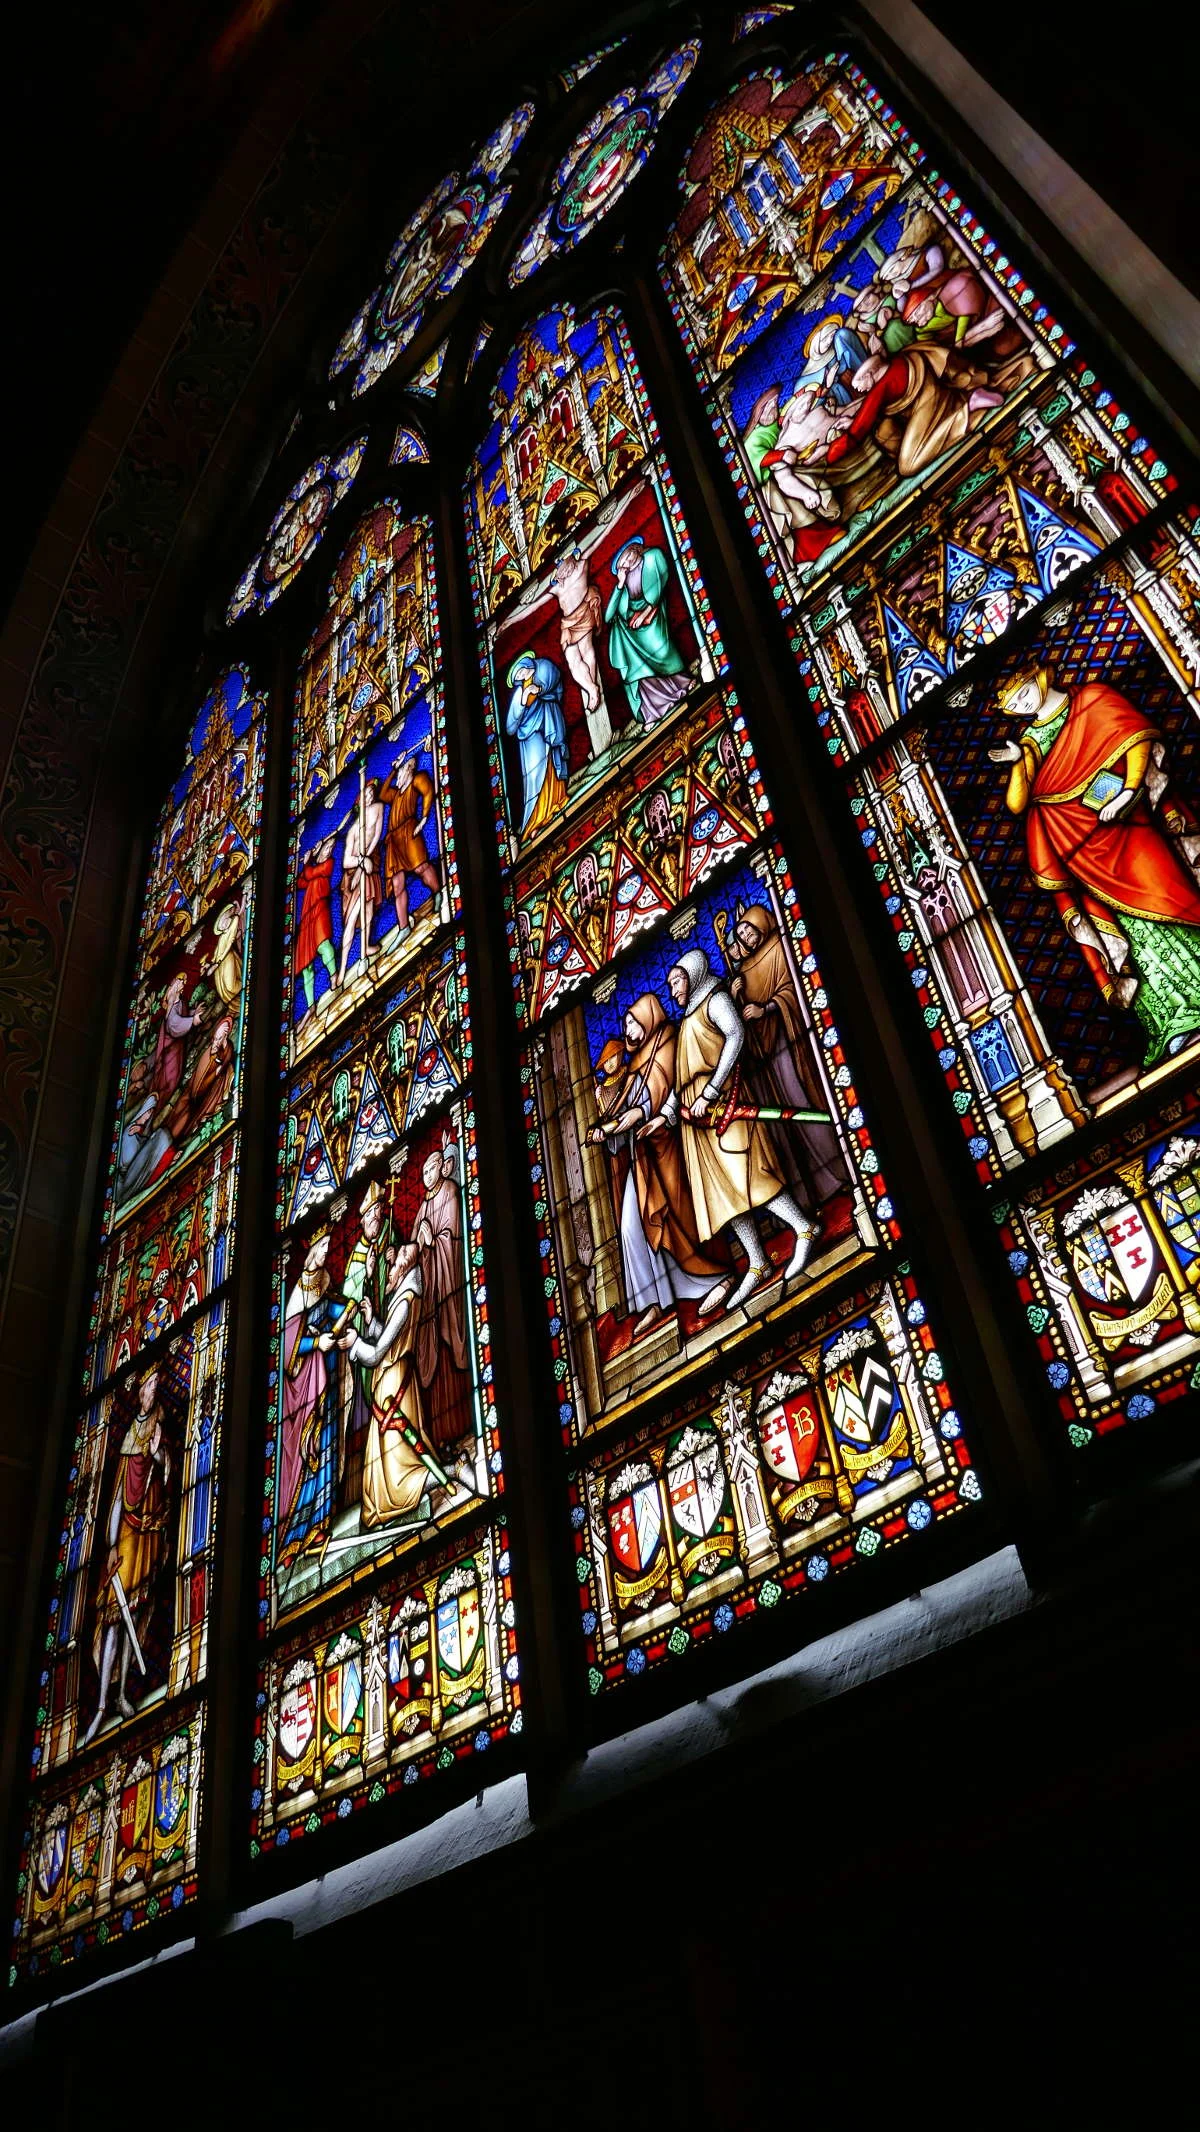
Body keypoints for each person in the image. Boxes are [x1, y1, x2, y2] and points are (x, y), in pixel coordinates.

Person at [989, 662, 1200, 1064]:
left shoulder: (1093, 699)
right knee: (1132, 936)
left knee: (1168, 898)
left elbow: (1135, 738)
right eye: (1014, 703)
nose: (1022, 703)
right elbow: (1018, 803)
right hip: (1079, 849)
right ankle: (1176, 1022)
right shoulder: (1031, 742)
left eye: (1023, 691)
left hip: (1127, 827)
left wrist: (1130, 790)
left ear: (1042, 677)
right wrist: (1018, 760)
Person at [646, 949, 816, 1312]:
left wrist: (710, 1093)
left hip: (725, 1105)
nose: (672, 987)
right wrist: (669, 1114)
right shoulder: (687, 1020)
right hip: (698, 1122)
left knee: (751, 1175)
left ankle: (803, 1226)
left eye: (676, 980)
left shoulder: (715, 1000)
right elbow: (682, 1079)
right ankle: (757, 1262)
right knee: (724, 1197)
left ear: (692, 974)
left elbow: (736, 1036)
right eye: (671, 983)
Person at [588, 994, 730, 1330]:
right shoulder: (635, 1066)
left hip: (674, 1150)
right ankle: (653, 1301)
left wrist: (617, 1125)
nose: (628, 1031)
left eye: (632, 1023)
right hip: (643, 1159)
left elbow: (657, 1099)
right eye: (625, 1026)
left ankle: (719, 1279)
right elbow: (630, 1113)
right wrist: (609, 1132)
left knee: (684, 1217)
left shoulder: (668, 1040)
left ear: (648, 1018)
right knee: (630, 1228)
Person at [728, 904, 846, 1209]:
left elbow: (793, 992)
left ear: (761, 925)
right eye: (741, 934)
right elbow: (743, 1024)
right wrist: (737, 994)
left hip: (790, 1046)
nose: (747, 938)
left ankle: (840, 1170)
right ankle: (810, 1192)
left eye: (749, 931)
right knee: (782, 1124)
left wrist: (765, 1008)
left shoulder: (780, 947)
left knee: (802, 1104)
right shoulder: (743, 970)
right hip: (766, 1059)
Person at [83, 1367, 172, 1743]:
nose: (152, 1391)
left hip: (148, 1532)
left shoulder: (157, 1427)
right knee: (114, 1617)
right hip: (127, 1537)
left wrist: (158, 1456)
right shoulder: (127, 1436)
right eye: (149, 1386)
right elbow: (119, 1493)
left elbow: (168, 1471)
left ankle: (120, 1695)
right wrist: (112, 1545)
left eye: (155, 1385)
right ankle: (102, 1704)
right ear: (139, 1393)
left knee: (132, 1611)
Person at [339, 1242, 453, 1528]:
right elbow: (388, 1340)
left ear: (406, 1268)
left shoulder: (404, 1302)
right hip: (395, 1377)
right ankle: (440, 1475)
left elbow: (378, 1354)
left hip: (394, 1385)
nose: (391, 1263)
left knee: (398, 1462)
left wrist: (355, 1344)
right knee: (392, 1460)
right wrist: (370, 1321)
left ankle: (445, 1474)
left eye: (400, 1256)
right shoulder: (403, 1298)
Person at [278, 1232, 342, 1563]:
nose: (324, 1254)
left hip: (326, 1382)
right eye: (321, 1248)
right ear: (311, 1251)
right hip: (305, 1389)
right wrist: (317, 1344)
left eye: (328, 1249)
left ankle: (320, 1523)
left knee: (327, 1448)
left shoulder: (323, 1281)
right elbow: (287, 1348)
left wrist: (350, 1307)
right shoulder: (296, 1294)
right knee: (308, 1454)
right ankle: (294, 1537)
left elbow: (332, 1306)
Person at [412, 1143, 472, 1454]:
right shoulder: (422, 1207)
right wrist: (419, 1246)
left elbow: (453, 1238)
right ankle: (440, 1438)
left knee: (450, 1353)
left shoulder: (449, 1191)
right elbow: (414, 1257)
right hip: (430, 1304)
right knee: (431, 1360)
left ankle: (463, 1427)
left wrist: (432, 1242)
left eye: (431, 1168)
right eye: (423, 1171)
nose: (426, 1175)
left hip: (448, 1291)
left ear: (443, 1168)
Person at [340, 1178, 390, 1511]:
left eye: (376, 1216)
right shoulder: (358, 1255)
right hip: (365, 1337)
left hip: (385, 1330)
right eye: (369, 1219)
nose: (374, 1223)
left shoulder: (389, 1237)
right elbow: (350, 1291)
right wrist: (366, 1274)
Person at [605, 537, 692, 728]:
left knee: (660, 649)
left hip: (653, 615)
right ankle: (652, 713)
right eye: (621, 565)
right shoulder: (623, 582)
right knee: (636, 666)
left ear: (635, 549)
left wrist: (646, 613)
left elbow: (660, 581)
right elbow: (608, 616)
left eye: (626, 557)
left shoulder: (652, 556)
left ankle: (681, 684)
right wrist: (620, 584)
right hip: (633, 630)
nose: (626, 563)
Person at [551, 546, 611, 760]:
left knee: (587, 652)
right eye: (557, 565)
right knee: (573, 661)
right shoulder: (557, 587)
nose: (559, 567)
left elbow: (596, 540)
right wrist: (508, 622)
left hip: (582, 614)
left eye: (562, 562)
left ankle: (594, 693)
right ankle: (591, 687)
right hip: (567, 624)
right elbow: (531, 602)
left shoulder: (581, 568)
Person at [506, 652, 569, 836]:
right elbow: (510, 726)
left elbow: (555, 677)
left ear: (526, 664)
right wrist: (524, 700)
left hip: (548, 722)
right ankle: (537, 819)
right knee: (535, 775)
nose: (520, 676)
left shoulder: (542, 667)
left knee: (552, 763)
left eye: (520, 672)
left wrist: (539, 690)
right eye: (517, 677)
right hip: (530, 738)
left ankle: (558, 800)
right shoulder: (519, 693)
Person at [378, 754, 440, 940]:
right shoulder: (395, 793)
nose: (400, 775)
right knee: (397, 885)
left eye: (404, 769)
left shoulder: (415, 782)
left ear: (409, 770)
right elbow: (382, 794)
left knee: (421, 867)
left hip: (409, 831)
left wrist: (424, 818)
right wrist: (394, 769)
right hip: (393, 842)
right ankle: (403, 927)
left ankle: (438, 893)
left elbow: (428, 791)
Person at [336, 778, 386, 986]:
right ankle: (341, 970)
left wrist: (368, 857)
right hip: (354, 874)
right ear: (359, 801)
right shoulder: (353, 830)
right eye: (365, 794)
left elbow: (377, 834)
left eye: (371, 793)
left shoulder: (379, 808)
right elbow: (346, 860)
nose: (369, 796)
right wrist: (360, 861)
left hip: (370, 863)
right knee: (352, 918)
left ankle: (365, 947)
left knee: (369, 910)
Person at [166, 1014, 235, 1143]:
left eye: (226, 1029)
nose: (224, 1030)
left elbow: (226, 1057)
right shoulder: (208, 1051)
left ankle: (179, 1137)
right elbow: (201, 1076)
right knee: (184, 1110)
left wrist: (218, 1066)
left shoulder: (226, 1046)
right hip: (196, 1090)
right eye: (222, 1028)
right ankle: (173, 1135)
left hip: (211, 1089)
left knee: (192, 1116)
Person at [294, 832, 338, 1016]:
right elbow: (301, 882)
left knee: (324, 945)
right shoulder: (313, 866)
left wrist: (307, 861)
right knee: (306, 967)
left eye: (331, 849)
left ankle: (334, 977)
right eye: (327, 848)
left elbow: (311, 874)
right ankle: (311, 1006)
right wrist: (308, 859)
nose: (329, 852)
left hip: (320, 910)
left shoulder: (328, 865)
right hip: (306, 918)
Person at [150, 973, 204, 1104]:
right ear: (175, 984)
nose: (184, 984)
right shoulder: (173, 1004)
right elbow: (173, 1025)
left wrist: (194, 1013)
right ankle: (159, 1104)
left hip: (178, 1049)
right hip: (170, 1051)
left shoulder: (181, 1001)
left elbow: (183, 1015)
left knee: (177, 1074)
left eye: (184, 981)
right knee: (170, 1077)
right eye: (181, 981)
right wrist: (192, 1021)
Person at [116, 1096, 173, 1206]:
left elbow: (145, 1142)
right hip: (126, 1178)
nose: (149, 1116)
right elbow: (128, 1158)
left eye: (151, 1112)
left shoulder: (141, 1132)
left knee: (161, 1135)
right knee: (161, 1136)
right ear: (143, 1110)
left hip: (131, 1173)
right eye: (148, 1111)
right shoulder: (130, 1131)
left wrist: (142, 1132)